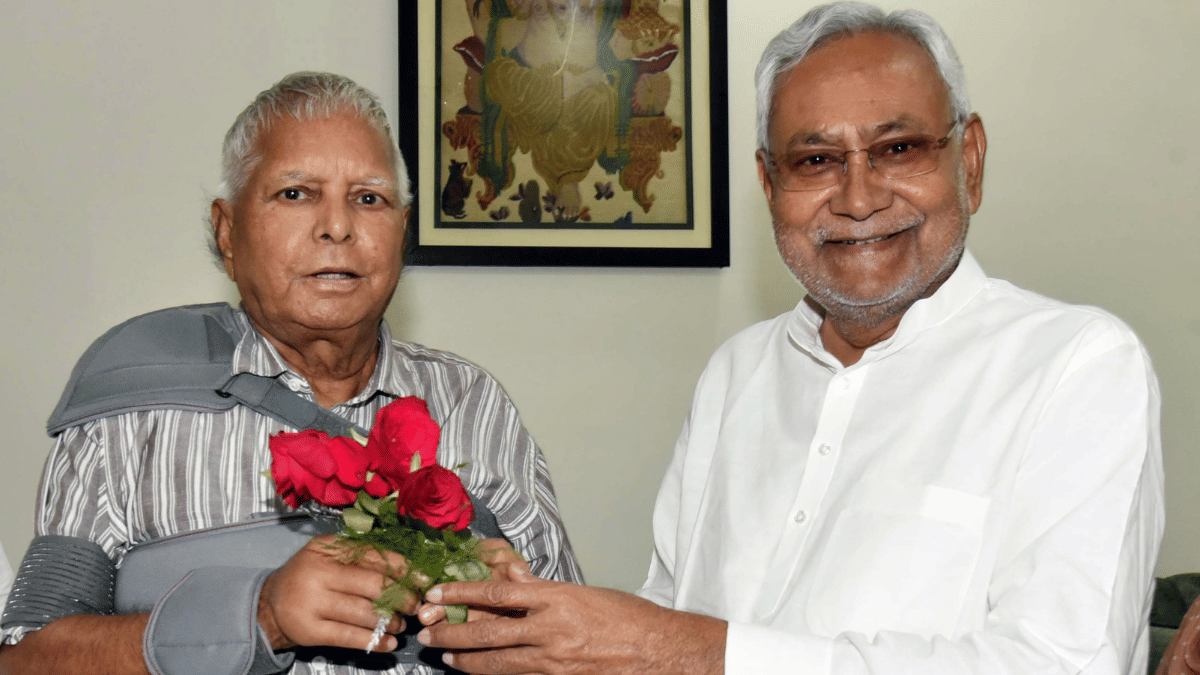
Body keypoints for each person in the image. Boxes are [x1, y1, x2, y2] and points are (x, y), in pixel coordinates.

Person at [414, 3, 1164, 674]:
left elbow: (1066, 662)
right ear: (770, 186)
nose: (859, 198)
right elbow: (667, 624)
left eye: (898, 149)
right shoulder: (736, 374)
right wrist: (547, 632)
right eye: (816, 161)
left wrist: (696, 654)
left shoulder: (1077, 366)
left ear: (968, 157)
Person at [0, 72, 582, 675]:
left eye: (369, 199)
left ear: (402, 232)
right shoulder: (130, 405)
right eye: (296, 193)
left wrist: (508, 626)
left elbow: (575, 650)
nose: (338, 227)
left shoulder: (474, 402)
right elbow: (24, 660)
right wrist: (260, 618)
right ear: (228, 232)